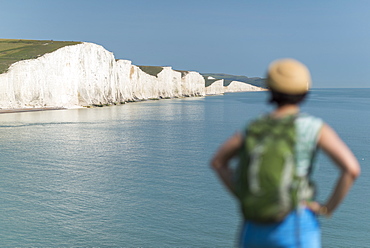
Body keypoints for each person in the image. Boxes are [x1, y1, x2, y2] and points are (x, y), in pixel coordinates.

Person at [210, 58, 360, 248]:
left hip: (253, 227)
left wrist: (243, 194)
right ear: (304, 92)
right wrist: (326, 208)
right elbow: (351, 170)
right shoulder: (313, 127)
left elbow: (218, 162)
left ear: (271, 91)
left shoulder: (253, 128)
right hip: (295, 223)